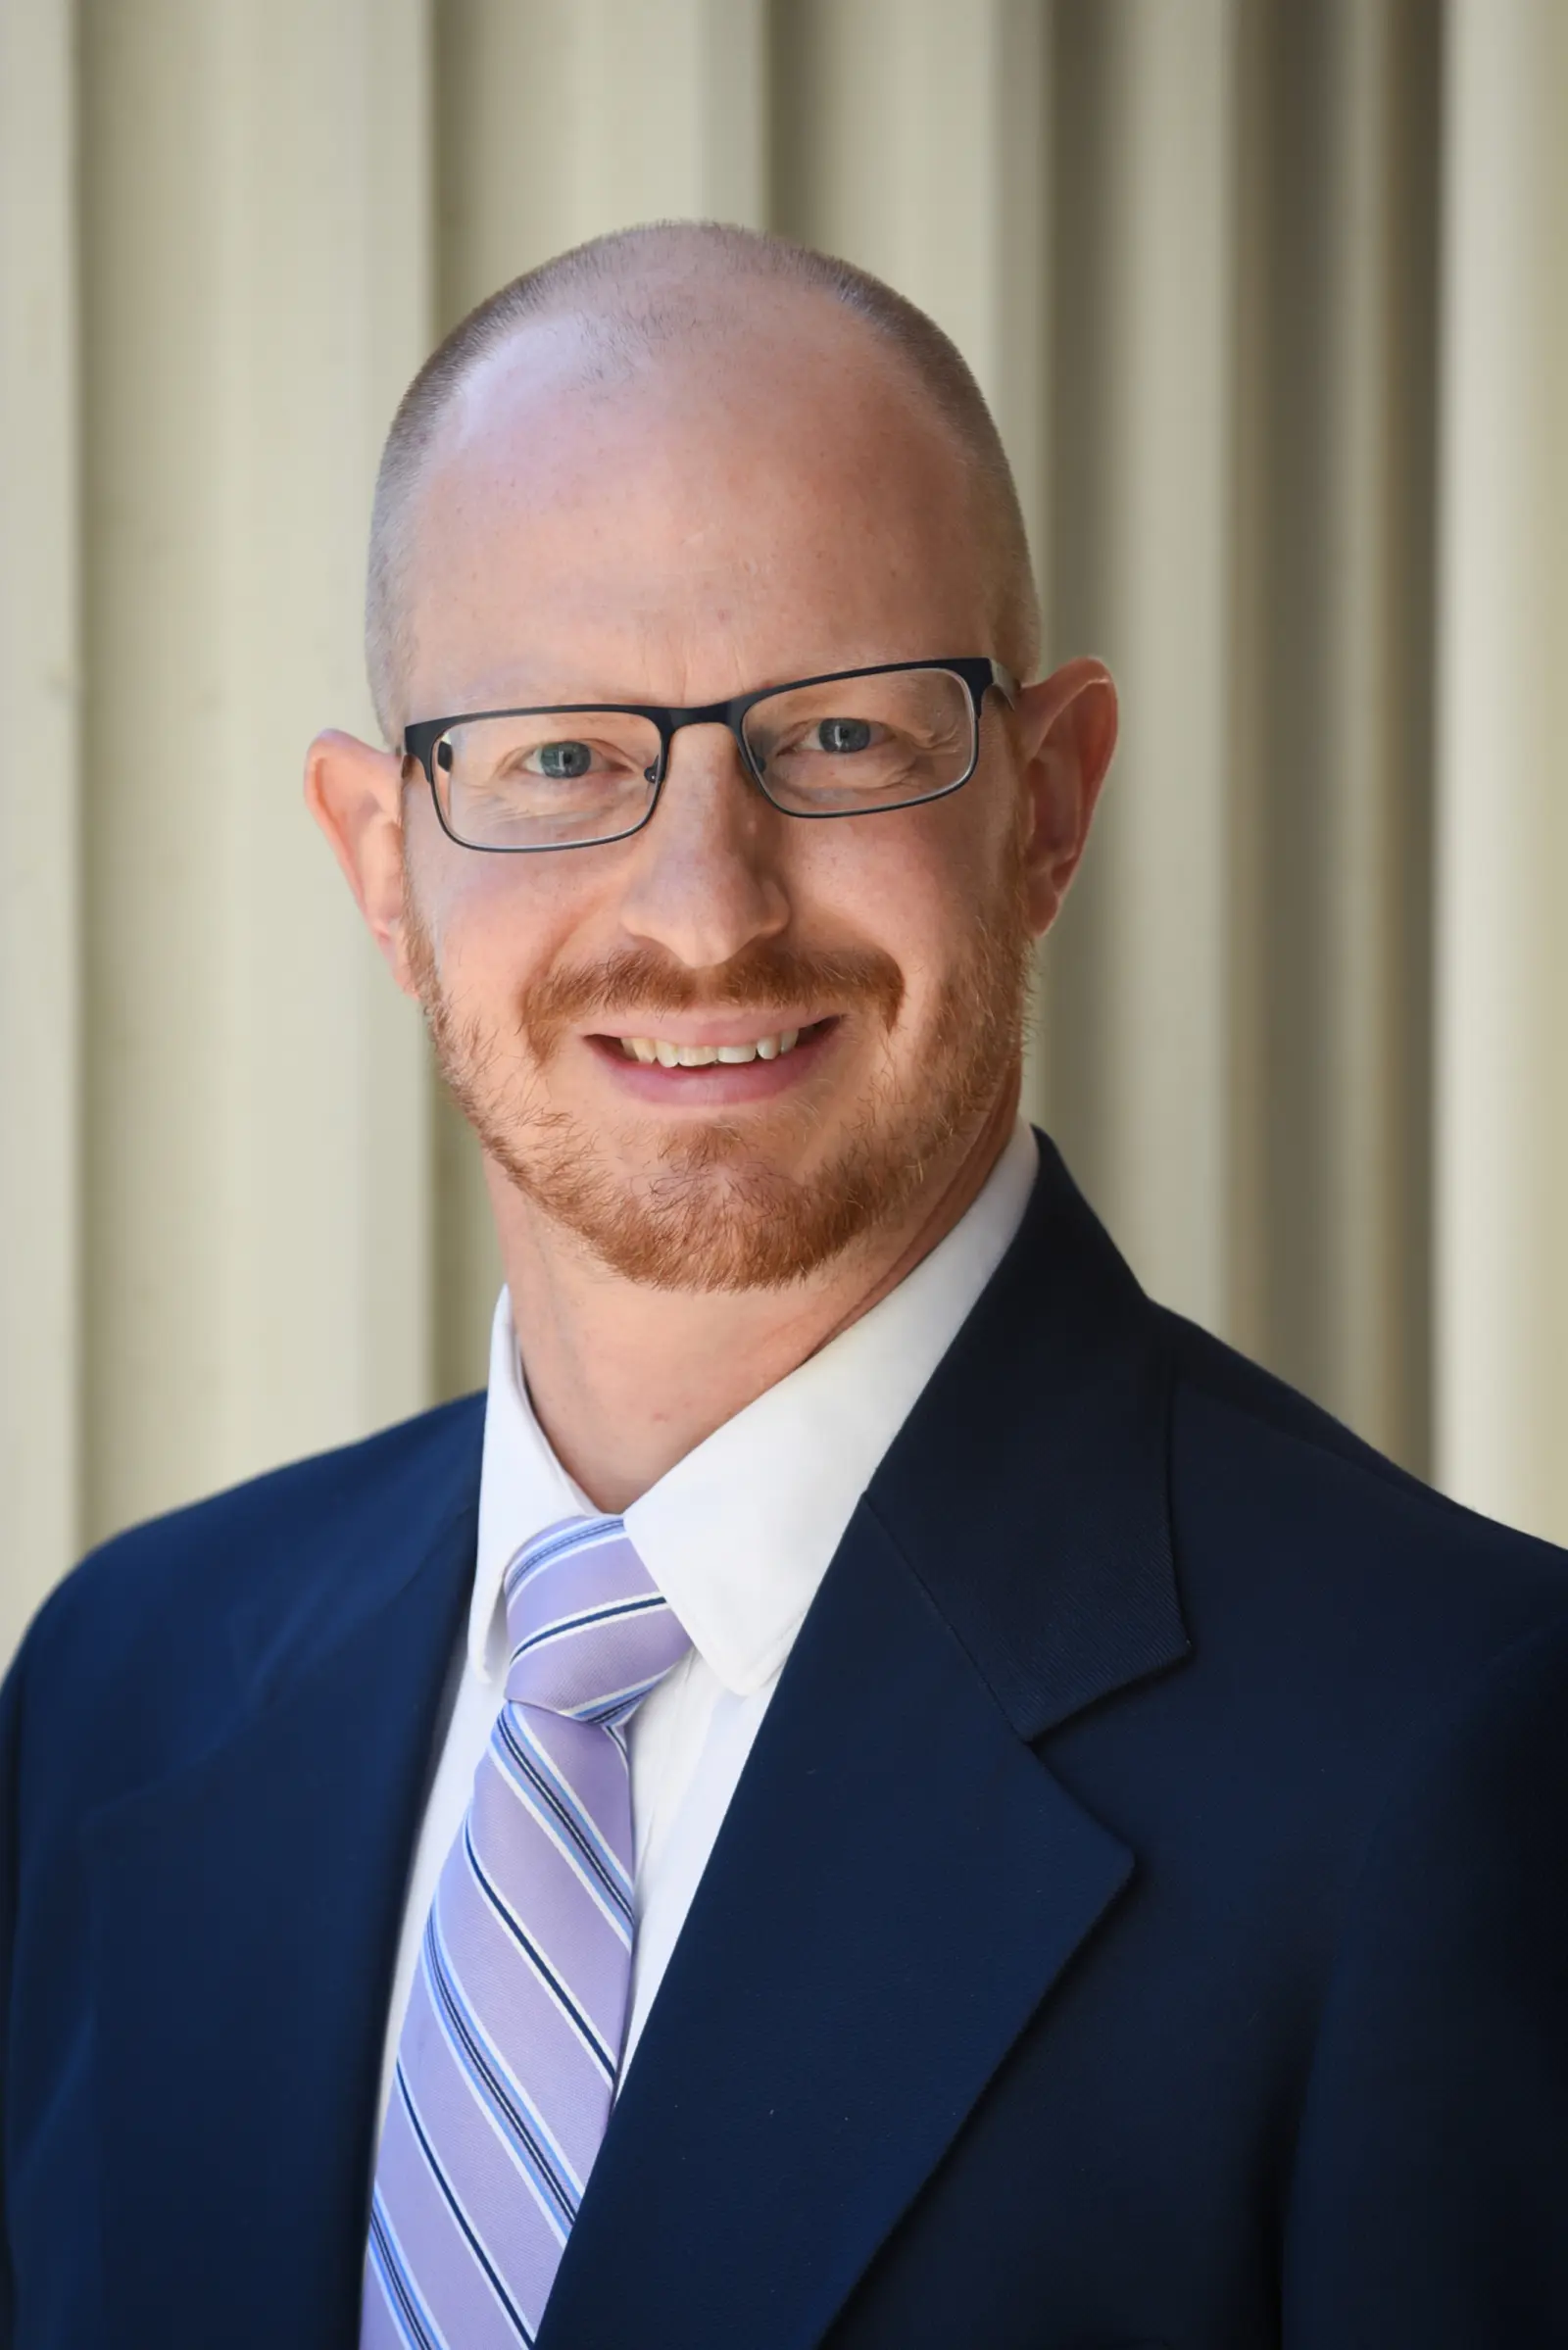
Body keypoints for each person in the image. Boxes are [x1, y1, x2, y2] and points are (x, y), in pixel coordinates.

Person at [3, 220, 1565, 2350]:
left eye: (835, 736)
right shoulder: (123, 1686)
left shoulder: (1456, 1752)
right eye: (556, 754)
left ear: (1050, 801)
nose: (704, 906)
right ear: (382, 858)